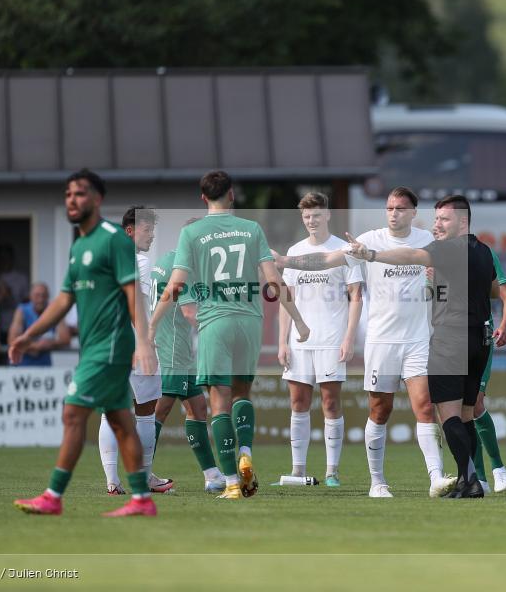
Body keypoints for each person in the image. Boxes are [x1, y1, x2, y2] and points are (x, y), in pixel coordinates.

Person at [274, 187, 457, 499]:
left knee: (425, 406)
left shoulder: (428, 242)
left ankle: (436, 478)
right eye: (389, 208)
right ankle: (377, 481)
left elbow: (451, 276)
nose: (394, 213)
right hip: (382, 340)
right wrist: (287, 261)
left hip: (418, 339)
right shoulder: (369, 241)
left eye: (400, 208)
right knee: (380, 409)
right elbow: (327, 259)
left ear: (413, 212)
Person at [149, 170, 310, 500]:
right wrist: (299, 321)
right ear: (232, 194)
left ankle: (232, 482)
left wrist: (152, 324)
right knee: (241, 394)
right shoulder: (251, 229)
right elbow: (273, 280)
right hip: (248, 321)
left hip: (215, 322)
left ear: (203, 197)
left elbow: (176, 285)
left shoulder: (192, 233)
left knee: (218, 401)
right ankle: (246, 450)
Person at [9, 168, 157, 517]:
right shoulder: (80, 246)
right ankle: (141, 500)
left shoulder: (113, 239)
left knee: (73, 412)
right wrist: (29, 335)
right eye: (68, 194)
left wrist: (144, 343)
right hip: (93, 347)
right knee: (121, 421)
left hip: (109, 347)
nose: (72, 200)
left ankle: (53, 495)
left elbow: (133, 293)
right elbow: (63, 300)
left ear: (96, 199)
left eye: (80, 193)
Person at [346, 194, 499, 499]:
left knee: (447, 415)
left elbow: (409, 257)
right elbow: (494, 289)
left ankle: (464, 479)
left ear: (462, 221)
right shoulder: (483, 251)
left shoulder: (442, 248)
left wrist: (373, 255)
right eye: (436, 219)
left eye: (443, 219)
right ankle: (470, 481)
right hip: (477, 339)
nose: (437, 225)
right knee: (466, 415)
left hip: (448, 340)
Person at [278, 192, 363, 487]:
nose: (311, 221)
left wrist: (349, 337)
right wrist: (282, 341)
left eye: (316, 215)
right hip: (299, 341)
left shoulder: (344, 249)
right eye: (306, 216)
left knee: (330, 402)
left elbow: (356, 296)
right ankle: (298, 471)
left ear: (327, 215)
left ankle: (331, 472)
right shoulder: (295, 250)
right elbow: (286, 299)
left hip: (331, 337)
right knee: (298, 402)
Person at [97, 206, 172, 495]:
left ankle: (112, 482)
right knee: (145, 411)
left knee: (110, 412)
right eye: (147, 230)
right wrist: (146, 342)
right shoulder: (138, 261)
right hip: (133, 344)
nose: (151, 236)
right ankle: (144, 477)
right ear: (130, 230)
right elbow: (136, 306)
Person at [148, 217, 226, 494]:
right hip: (170, 350)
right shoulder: (183, 268)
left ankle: (212, 475)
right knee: (158, 410)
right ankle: (141, 474)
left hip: (176, 349)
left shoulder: (168, 260)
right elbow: (190, 313)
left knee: (197, 407)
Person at [470, 243, 506, 494]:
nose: (438, 225)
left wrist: (504, 325)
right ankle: (479, 479)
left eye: (443, 219)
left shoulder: (483, 254)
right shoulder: (434, 253)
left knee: (475, 403)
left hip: (480, 336)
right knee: (457, 409)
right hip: (447, 339)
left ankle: (498, 468)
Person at [7, 283, 71, 367]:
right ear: (30, 296)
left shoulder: (54, 311)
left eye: (44, 296)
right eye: (37, 295)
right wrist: (36, 346)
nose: (40, 299)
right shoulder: (22, 310)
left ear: (48, 297)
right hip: (21, 365)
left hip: (44, 366)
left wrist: (50, 343)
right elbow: (11, 340)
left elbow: (66, 339)